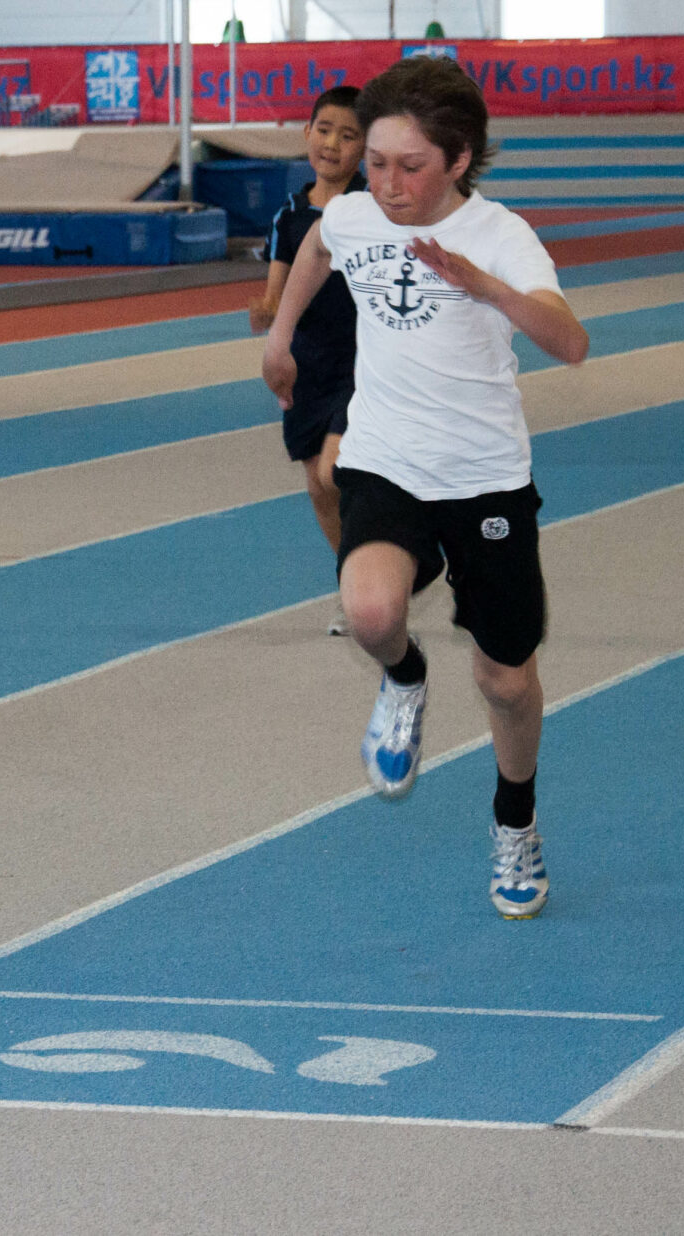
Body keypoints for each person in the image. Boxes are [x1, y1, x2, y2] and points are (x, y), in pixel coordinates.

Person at [262, 58, 590, 919]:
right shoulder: (354, 213)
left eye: (410, 166)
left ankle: (515, 821)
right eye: (375, 162)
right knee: (371, 612)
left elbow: (572, 343)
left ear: (459, 159)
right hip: (387, 456)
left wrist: (488, 288)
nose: (387, 183)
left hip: (484, 477)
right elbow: (319, 243)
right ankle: (403, 680)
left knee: (505, 681)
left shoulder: (500, 235)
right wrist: (282, 336)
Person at [250, 85, 365, 617]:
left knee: (332, 472)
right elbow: (277, 297)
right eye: (324, 130)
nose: (332, 144)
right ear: (306, 133)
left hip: (362, 363)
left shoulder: (371, 210)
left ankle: (385, 559)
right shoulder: (288, 217)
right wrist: (266, 312)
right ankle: (356, 584)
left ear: (365, 149)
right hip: (307, 366)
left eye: (348, 136)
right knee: (320, 490)